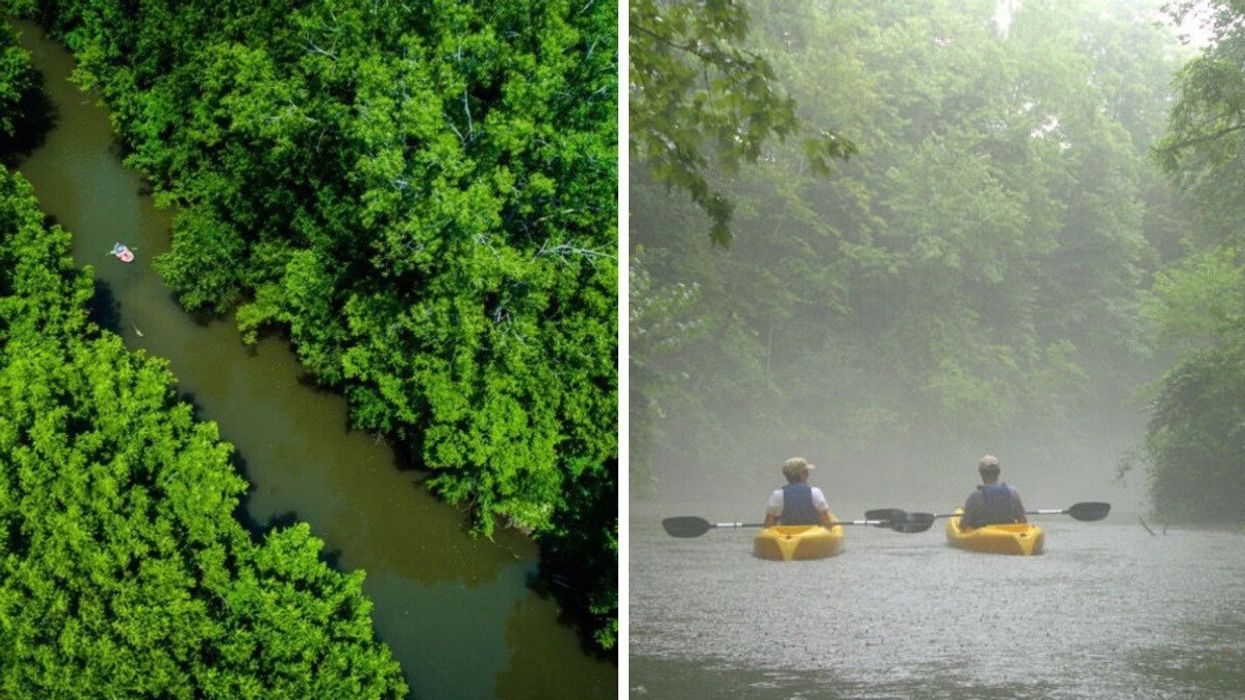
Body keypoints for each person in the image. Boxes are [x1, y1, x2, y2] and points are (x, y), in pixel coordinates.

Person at [764, 457, 834, 528]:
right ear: (802, 473)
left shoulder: (777, 495)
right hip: (811, 534)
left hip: (787, 535)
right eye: (806, 471)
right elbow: (827, 522)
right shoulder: (815, 492)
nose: (808, 474)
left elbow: (767, 525)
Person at [960, 454, 1027, 528]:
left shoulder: (974, 497)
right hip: (1008, 535)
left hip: (984, 537)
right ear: (999, 472)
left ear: (980, 473)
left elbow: (964, 525)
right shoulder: (1013, 493)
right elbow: (1023, 520)